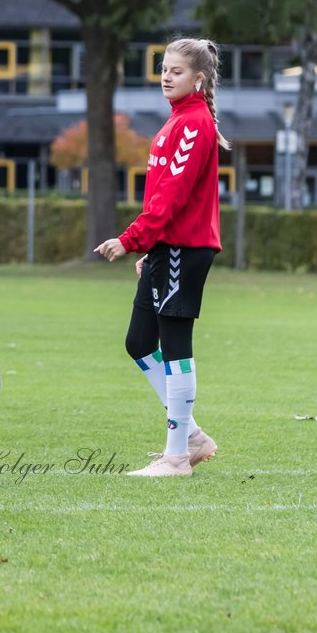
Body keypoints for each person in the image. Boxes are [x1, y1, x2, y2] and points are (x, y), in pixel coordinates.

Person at [94, 37, 227, 477]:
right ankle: (191, 437)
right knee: (138, 342)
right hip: (166, 248)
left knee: (175, 348)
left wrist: (132, 239)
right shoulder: (178, 121)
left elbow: (170, 198)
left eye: (177, 71)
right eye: (164, 69)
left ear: (199, 78)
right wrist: (151, 247)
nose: (167, 77)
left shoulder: (192, 124)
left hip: (183, 249)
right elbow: (167, 199)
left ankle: (176, 458)